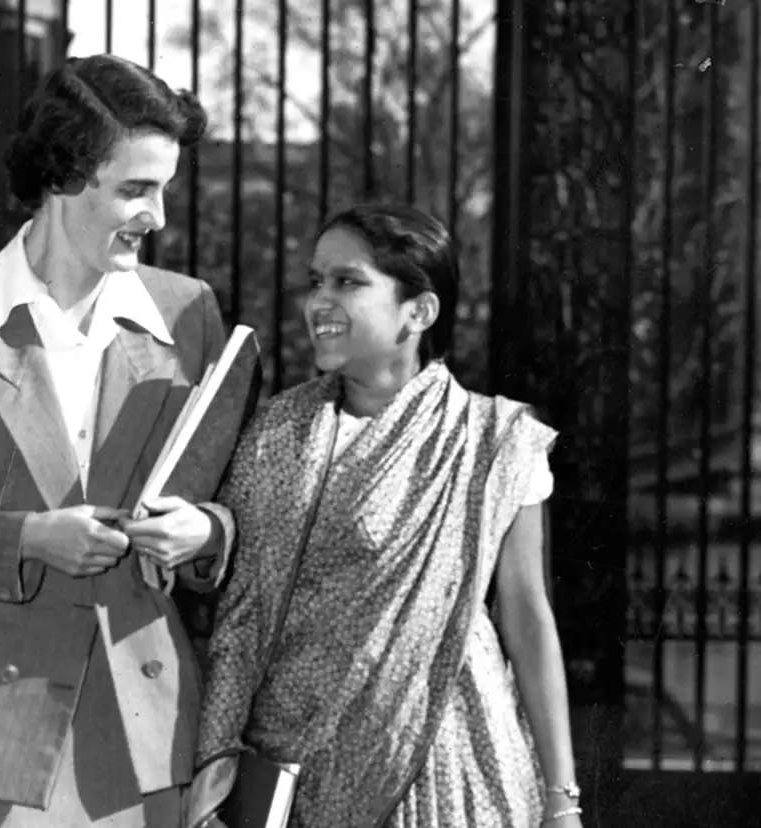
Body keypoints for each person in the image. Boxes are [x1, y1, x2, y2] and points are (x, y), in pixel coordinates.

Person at [0, 53, 237, 827]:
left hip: (143, 736)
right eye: (135, 189)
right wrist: (27, 540)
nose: (158, 217)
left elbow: (237, 514)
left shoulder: (192, 313)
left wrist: (207, 532)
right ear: (64, 176)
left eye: (164, 188)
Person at [187, 203, 583, 828]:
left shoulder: (492, 439)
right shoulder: (276, 432)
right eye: (316, 281)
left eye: (348, 282)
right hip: (299, 774)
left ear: (418, 312)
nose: (320, 300)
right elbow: (244, 615)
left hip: (447, 763)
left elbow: (528, 620)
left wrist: (562, 802)